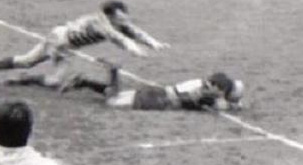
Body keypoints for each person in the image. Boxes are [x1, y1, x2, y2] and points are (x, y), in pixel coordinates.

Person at [0, 1, 169, 89]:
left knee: (27, 61)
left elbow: (134, 32)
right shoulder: (100, 23)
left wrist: (154, 44)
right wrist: (136, 50)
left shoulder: (117, 22)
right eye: (120, 17)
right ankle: (24, 78)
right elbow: (118, 38)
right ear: (110, 16)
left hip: (62, 40)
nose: (124, 20)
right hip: (61, 42)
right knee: (53, 80)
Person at [60, 61, 244, 112]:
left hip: (157, 92)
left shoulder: (198, 82)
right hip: (157, 100)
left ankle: (84, 82)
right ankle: (114, 72)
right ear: (218, 88)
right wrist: (233, 105)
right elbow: (199, 103)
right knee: (112, 102)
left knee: (115, 95)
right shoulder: (205, 95)